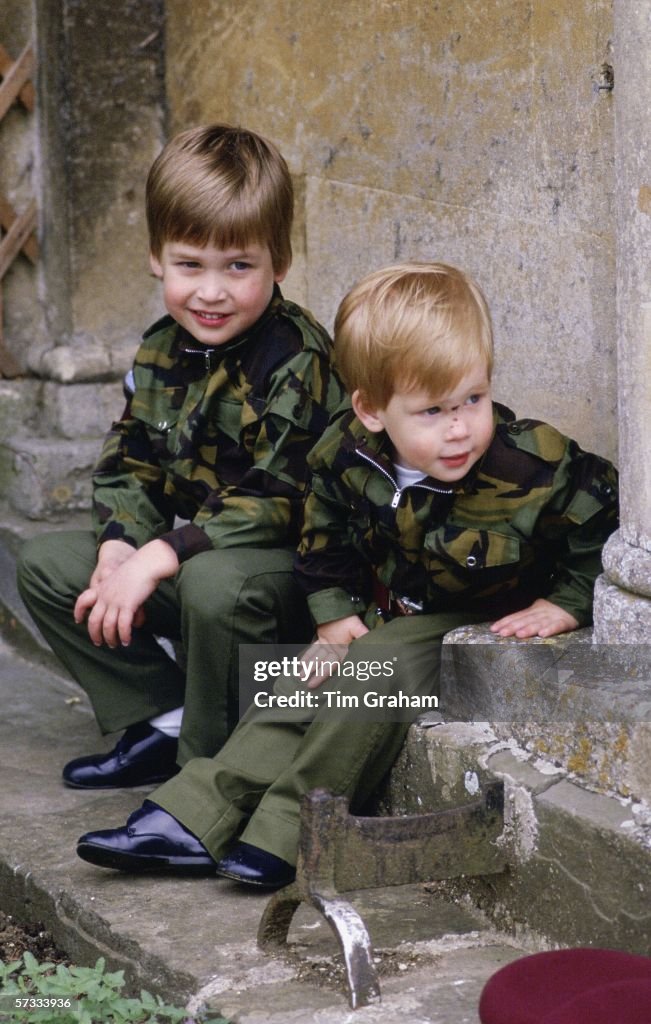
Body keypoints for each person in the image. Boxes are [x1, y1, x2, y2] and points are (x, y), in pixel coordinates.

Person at [71, 261, 619, 887]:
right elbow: (321, 533)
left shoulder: (532, 465)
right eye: (433, 410)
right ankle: (194, 812)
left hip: (478, 619)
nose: (461, 427)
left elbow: (604, 513)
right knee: (302, 680)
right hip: (394, 610)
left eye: (474, 397)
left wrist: (570, 601)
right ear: (373, 410)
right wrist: (333, 614)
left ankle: (290, 830)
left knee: (373, 671)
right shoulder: (346, 451)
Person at [17, 123, 344, 788]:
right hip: (200, 561)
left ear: (279, 261)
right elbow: (132, 459)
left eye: (239, 267)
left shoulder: (297, 358)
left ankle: (209, 777)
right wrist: (120, 546)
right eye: (190, 264)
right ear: (156, 258)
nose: (212, 292)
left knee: (213, 582)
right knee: (50, 565)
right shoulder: (161, 349)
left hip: (289, 583)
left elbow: (278, 497)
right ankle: (164, 720)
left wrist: (160, 556)